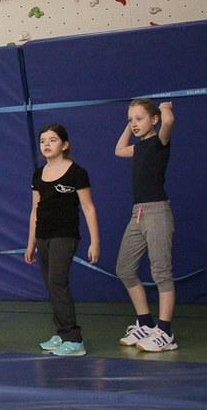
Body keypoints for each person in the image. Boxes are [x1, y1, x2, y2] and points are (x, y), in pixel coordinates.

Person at [24, 124, 100, 356]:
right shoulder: (38, 175)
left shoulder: (77, 173)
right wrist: (31, 243)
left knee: (57, 281)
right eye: (43, 141)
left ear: (65, 145)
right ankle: (61, 332)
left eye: (53, 140)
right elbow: (35, 210)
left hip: (65, 236)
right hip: (43, 236)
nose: (46, 144)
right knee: (51, 284)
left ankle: (74, 339)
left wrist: (95, 241)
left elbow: (88, 208)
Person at [114, 99, 178, 352]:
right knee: (124, 269)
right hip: (138, 213)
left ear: (154, 120)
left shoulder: (160, 141)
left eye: (139, 119)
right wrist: (130, 125)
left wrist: (165, 108)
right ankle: (146, 323)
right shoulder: (138, 148)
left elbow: (168, 121)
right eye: (131, 119)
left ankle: (165, 331)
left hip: (157, 212)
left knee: (161, 272)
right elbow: (119, 149)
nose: (134, 124)